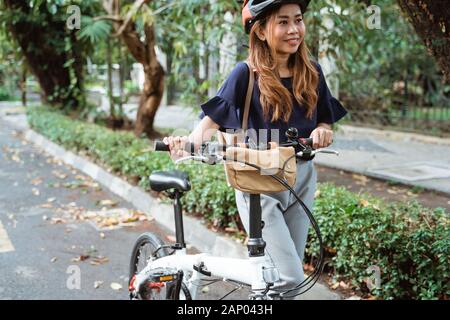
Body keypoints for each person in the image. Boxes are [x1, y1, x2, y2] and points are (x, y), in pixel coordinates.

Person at [163, 0, 347, 298]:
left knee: (283, 281)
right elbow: (208, 124)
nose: (294, 30)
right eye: (283, 22)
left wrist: (323, 131)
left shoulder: (312, 71)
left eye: (298, 20)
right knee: (289, 275)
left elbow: (325, 120)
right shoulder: (246, 73)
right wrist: (186, 144)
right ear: (260, 31)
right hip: (258, 181)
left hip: (302, 178)